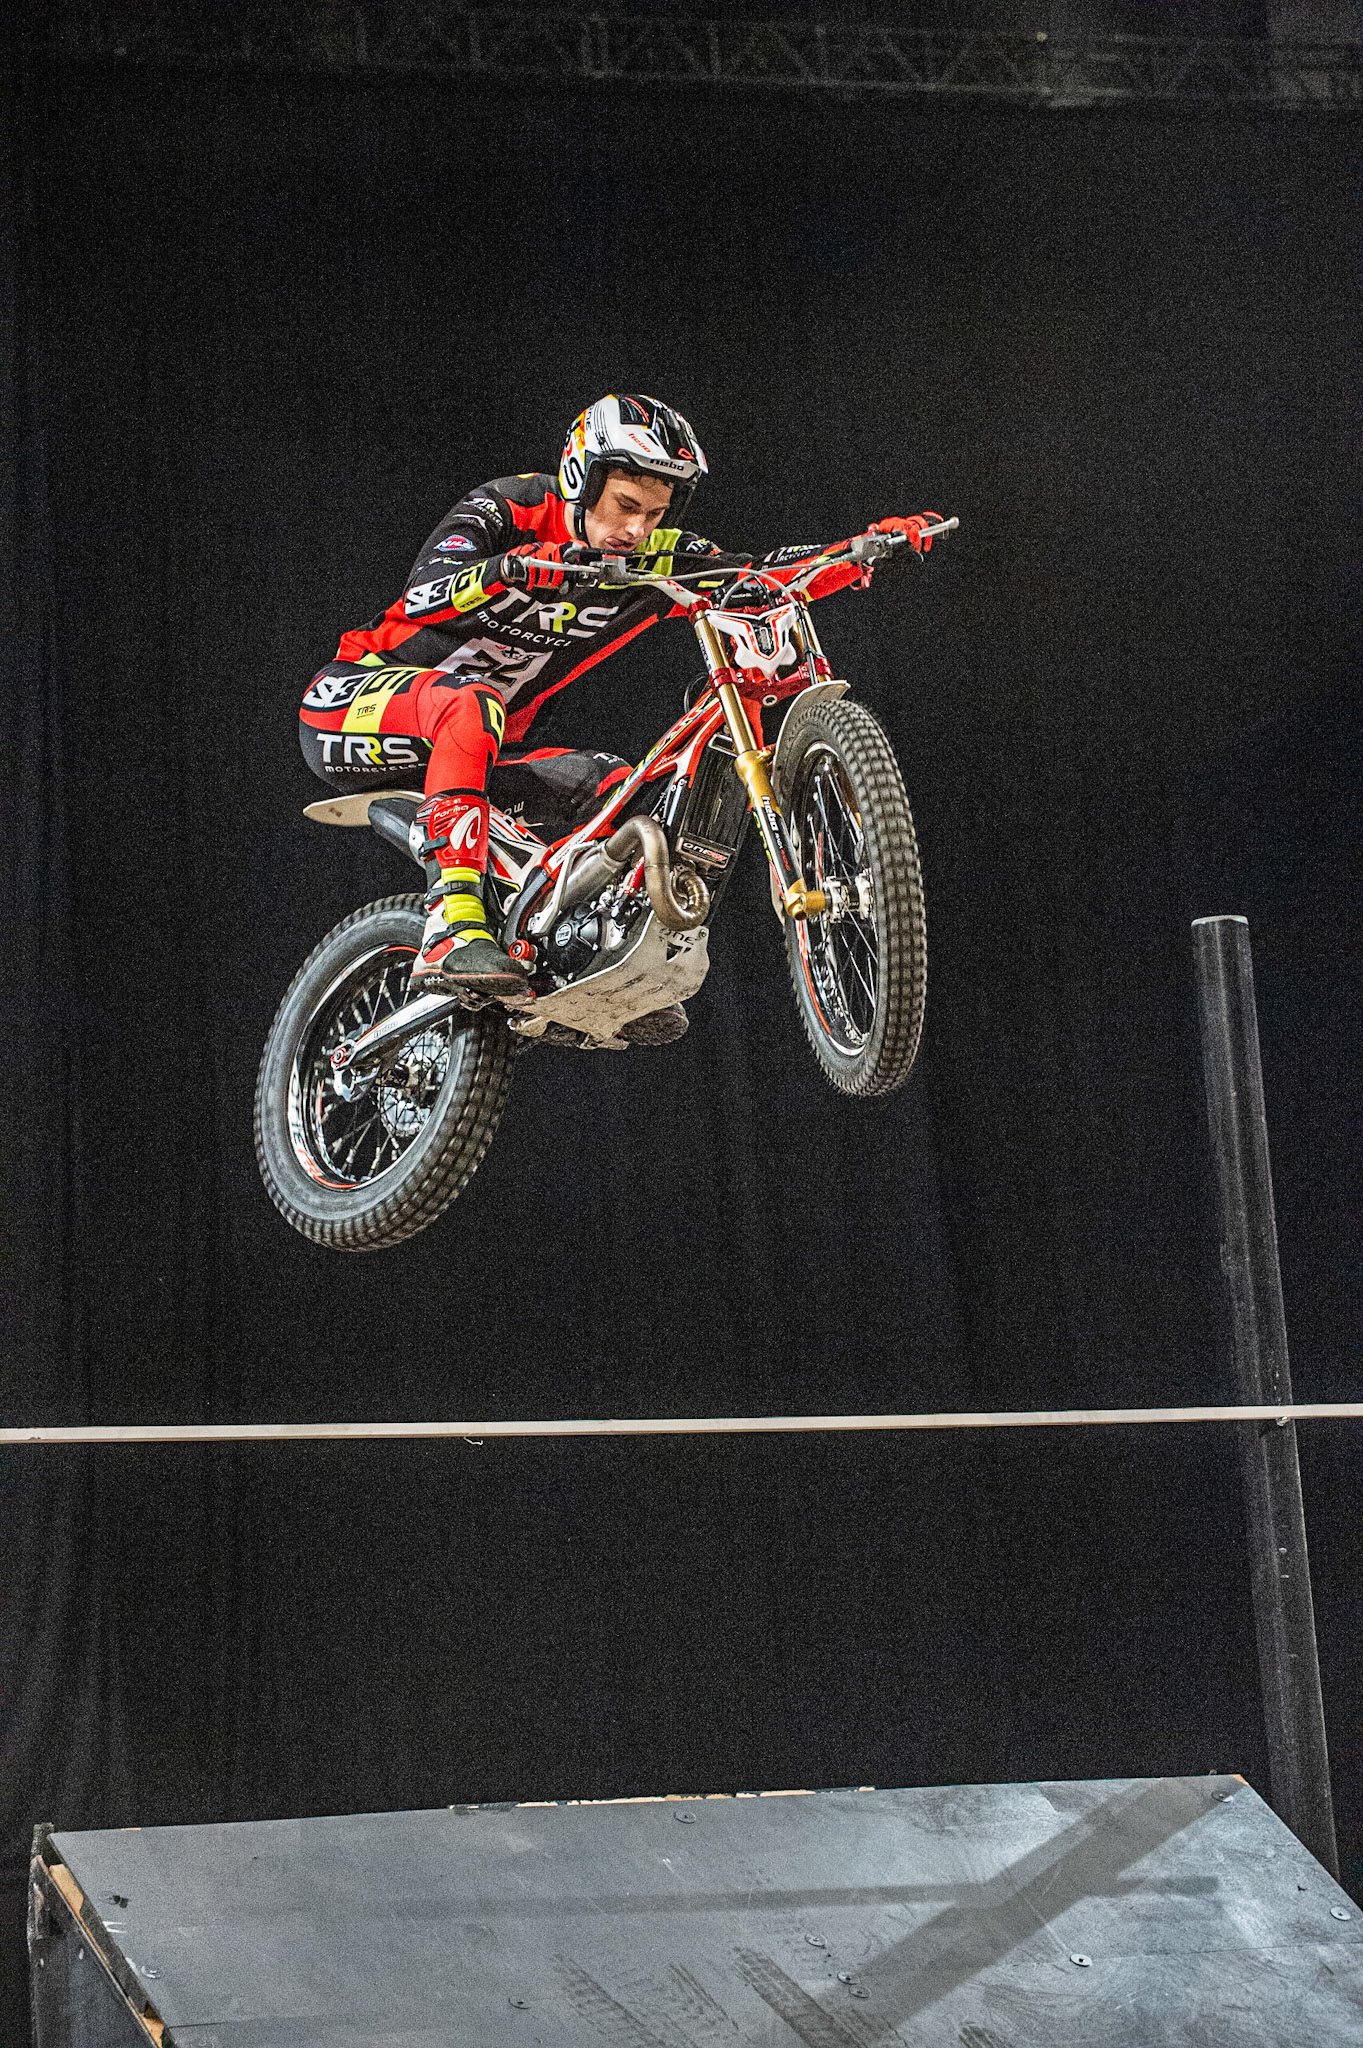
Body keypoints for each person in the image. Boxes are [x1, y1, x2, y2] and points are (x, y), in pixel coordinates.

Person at [300, 393, 939, 997]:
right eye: (625, 504)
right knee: (472, 702)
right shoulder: (509, 508)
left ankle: (586, 957)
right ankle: (452, 924)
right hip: (354, 701)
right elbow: (425, 591)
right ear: (581, 478)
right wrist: (510, 569)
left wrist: (861, 551)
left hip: (480, 755)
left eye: (654, 515)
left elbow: (756, 574)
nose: (634, 530)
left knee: (620, 798)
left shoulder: (650, 560)